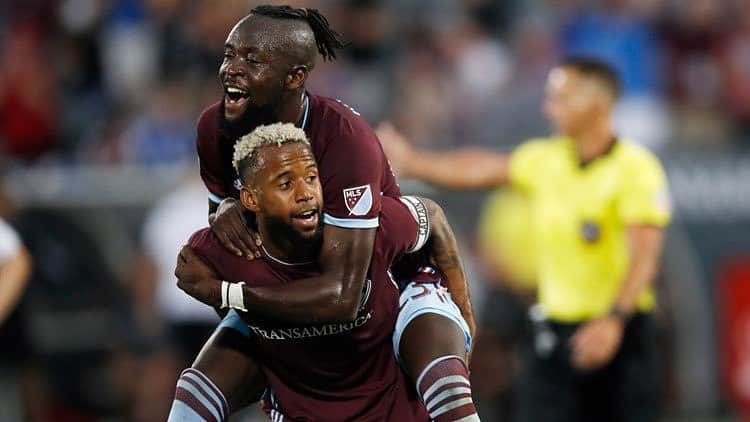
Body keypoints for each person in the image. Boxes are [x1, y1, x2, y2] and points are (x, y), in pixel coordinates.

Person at [377, 57, 671, 422]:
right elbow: (483, 167)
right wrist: (415, 162)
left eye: (561, 98)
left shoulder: (635, 169)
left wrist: (613, 320)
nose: (550, 108)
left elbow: (645, 256)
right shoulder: (548, 159)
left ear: (596, 103)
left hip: (620, 332)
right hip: (555, 331)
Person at [188, 4, 475, 336]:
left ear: (295, 77)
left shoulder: (345, 140)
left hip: (379, 286)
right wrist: (223, 209)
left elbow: (343, 298)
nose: (230, 69)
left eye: (251, 60)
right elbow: (228, 244)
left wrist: (229, 293)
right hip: (291, 282)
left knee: (441, 366)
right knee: (199, 380)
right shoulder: (214, 127)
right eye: (229, 54)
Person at [169, 123, 477, 421]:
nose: (305, 194)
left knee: (444, 377)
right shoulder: (225, 246)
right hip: (307, 380)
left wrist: (464, 312)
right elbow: (190, 271)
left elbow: (433, 216)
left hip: (395, 335)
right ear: (251, 199)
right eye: (286, 183)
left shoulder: (364, 227)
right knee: (193, 393)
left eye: (312, 177)